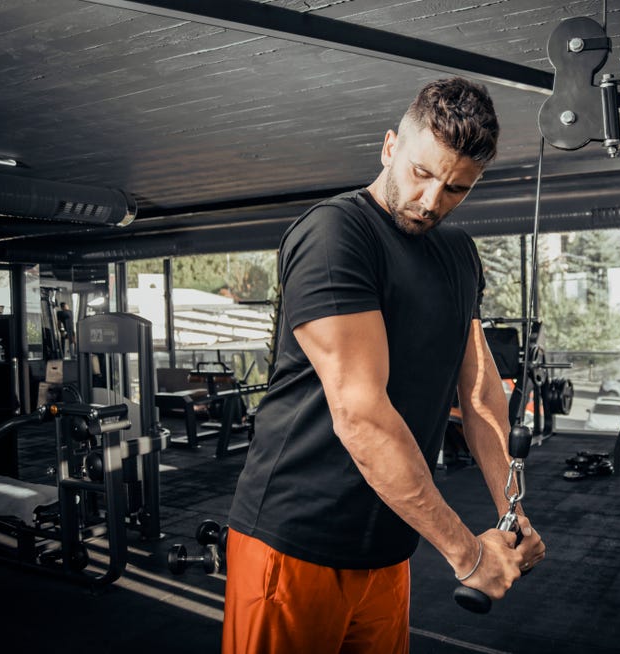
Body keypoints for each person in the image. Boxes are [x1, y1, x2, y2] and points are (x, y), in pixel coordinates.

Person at [222, 77, 545, 653]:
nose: (431, 201)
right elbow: (362, 415)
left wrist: (510, 508)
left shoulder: (458, 253)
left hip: (389, 542)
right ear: (391, 146)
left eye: (456, 189)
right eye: (423, 173)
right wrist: (468, 555)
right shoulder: (336, 234)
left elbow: (478, 394)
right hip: (296, 542)